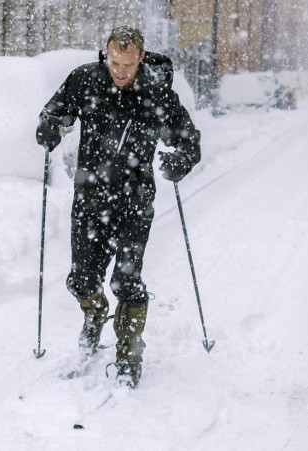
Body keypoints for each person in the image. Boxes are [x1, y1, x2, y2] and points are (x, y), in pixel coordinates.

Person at [35, 26, 201, 387]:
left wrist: (180, 160)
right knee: (81, 280)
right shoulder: (86, 80)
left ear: (140, 58)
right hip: (90, 201)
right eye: (114, 62)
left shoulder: (156, 92)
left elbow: (189, 141)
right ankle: (95, 315)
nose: (120, 71)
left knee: (126, 280)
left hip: (134, 203)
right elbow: (56, 110)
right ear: (105, 55)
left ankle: (128, 355)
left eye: (127, 63)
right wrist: (50, 125)